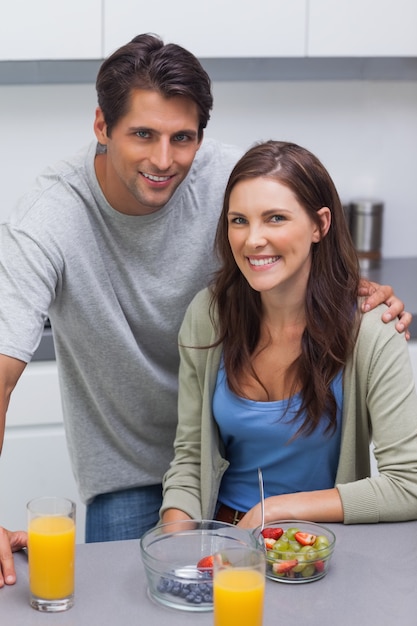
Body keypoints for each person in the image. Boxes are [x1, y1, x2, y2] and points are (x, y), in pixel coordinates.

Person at [0, 36, 411, 588]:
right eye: (142, 134)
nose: (164, 160)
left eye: (182, 138)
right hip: (130, 458)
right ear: (102, 126)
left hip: (232, 462)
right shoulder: (48, 220)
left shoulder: (224, 179)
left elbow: (284, 226)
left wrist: (346, 291)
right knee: (123, 596)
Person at [161, 140, 417, 528]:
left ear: (320, 225)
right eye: (239, 220)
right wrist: (175, 549)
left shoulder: (371, 328)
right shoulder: (209, 314)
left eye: (275, 218)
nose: (252, 240)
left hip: (319, 546)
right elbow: (191, 459)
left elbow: (409, 484)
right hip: (224, 536)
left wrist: (273, 510)